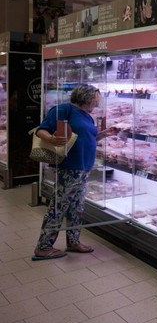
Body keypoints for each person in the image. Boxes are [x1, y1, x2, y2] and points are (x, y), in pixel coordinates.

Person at [32, 84, 115, 260]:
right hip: (69, 167)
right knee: (59, 206)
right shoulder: (63, 109)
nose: (98, 101)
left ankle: (73, 241)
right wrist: (52, 138)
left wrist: (104, 134)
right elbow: (41, 130)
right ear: (86, 97)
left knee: (77, 207)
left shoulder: (88, 116)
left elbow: (89, 137)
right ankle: (43, 247)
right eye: (96, 97)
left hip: (84, 167)